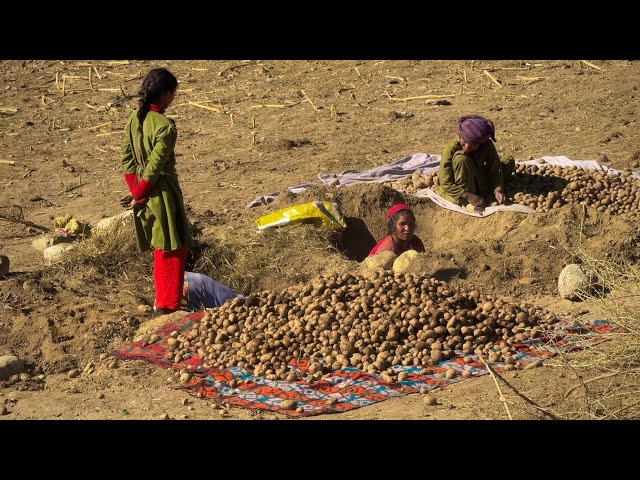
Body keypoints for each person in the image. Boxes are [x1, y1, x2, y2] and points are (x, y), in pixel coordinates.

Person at [120, 67, 193, 315]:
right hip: (162, 193)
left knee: (160, 247)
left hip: (144, 193)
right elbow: (155, 166)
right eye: (173, 93)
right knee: (173, 246)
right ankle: (168, 306)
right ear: (165, 93)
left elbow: (128, 161)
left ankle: (163, 301)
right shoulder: (165, 127)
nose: (173, 98)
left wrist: (135, 192)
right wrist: (140, 193)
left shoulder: (134, 119)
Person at [435, 115, 515, 208]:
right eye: (465, 142)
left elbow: (495, 169)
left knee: (508, 160)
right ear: (459, 135)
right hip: (461, 183)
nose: (468, 147)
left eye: (474, 144)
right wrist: (466, 195)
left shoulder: (486, 145)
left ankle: (484, 192)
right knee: (461, 159)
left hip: (479, 178)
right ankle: (468, 197)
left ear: (481, 143)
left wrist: (497, 190)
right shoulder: (450, 149)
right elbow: (445, 182)